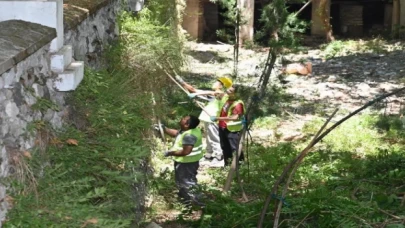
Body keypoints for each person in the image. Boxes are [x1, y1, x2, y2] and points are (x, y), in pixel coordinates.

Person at [176, 75, 232, 166]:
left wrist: (196, 94)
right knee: (209, 138)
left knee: (214, 138)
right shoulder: (214, 94)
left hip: (213, 120)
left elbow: (208, 93)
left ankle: (219, 158)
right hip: (208, 119)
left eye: (217, 82)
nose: (215, 83)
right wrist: (182, 82)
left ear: (222, 86)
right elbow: (193, 90)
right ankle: (208, 156)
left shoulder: (222, 94)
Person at [160, 115, 204, 207]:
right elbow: (177, 133)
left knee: (188, 182)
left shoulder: (189, 135)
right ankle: (185, 199)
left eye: (184, 119)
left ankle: (198, 202)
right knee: (183, 180)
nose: (182, 118)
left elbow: (186, 151)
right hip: (188, 162)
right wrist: (164, 129)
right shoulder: (190, 130)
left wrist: (170, 153)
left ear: (187, 124)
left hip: (187, 163)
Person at [211, 84, 245, 167]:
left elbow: (234, 117)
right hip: (222, 127)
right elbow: (215, 93)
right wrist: (197, 94)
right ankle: (227, 166)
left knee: (235, 149)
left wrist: (217, 118)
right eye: (228, 89)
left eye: (231, 91)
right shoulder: (226, 98)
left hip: (232, 130)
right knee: (225, 147)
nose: (228, 92)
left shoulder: (238, 104)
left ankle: (240, 168)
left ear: (236, 93)